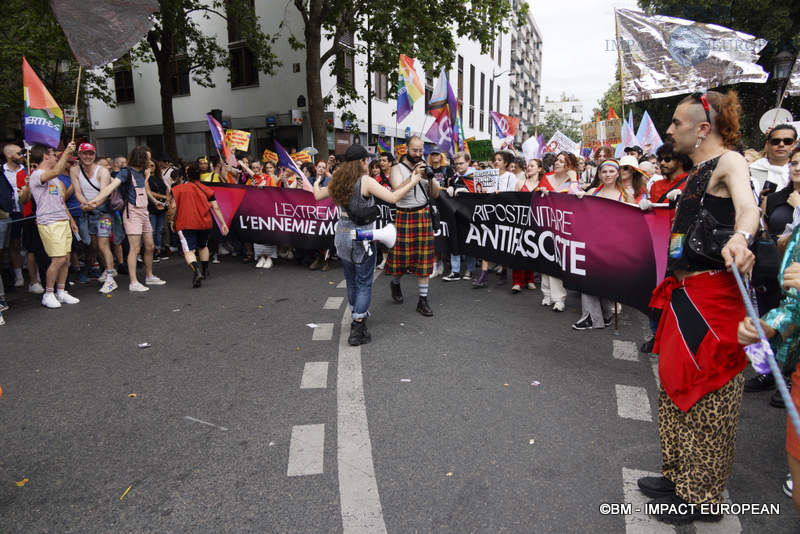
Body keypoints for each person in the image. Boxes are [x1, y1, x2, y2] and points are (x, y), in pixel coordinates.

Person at [637, 90, 759, 525]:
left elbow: (748, 209)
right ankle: (677, 477)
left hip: (714, 298)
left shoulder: (731, 162)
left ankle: (702, 497)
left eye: (676, 122)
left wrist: (742, 238)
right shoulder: (695, 171)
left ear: (703, 128)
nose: (669, 130)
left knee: (708, 395)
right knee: (673, 386)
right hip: (684, 293)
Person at [313, 144, 420, 344]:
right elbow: (394, 197)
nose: (370, 162)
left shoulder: (338, 180)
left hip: (342, 235)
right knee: (364, 282)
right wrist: (413, 180)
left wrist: (317, 181)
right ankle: (358, 326)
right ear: (362, 162)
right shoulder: (366, 182)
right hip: (362, 236)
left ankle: (357, 315)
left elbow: (317, 195)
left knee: (352, 280)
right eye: (367, 159)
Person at [89, 146, 167, 292]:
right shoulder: (126, 173)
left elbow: (145, 189)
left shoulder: (144, 172)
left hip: (144, 211)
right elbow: (111, 187)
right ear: (140, 158)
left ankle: (149, 276)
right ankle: (133, 282)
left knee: (150, 246)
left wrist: (154, 201)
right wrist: (97, 200)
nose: (150, 161)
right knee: (135, 248)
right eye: (147, 158)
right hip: (132, 213)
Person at [385, 135, 439, 316]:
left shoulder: (425, 167)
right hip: (404, 216)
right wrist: (414, 176)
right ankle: (395, 283)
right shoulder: (397, 168)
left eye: (421, 150)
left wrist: (430, 178)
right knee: (400, 260)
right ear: (406, 149)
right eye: (414, 150)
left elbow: (435, 194)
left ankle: (422, 301)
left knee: (424, 260)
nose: (418, 153)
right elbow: (396, 189)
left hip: (423, 216)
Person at [571, 160, 625, 329]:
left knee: (604, 281)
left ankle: (607, 314)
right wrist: (579, 195)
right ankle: (591, 317)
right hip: (591, 242)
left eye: (611, 171)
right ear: (599, 174)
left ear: (617, 174)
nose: (607, 174)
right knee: (587, 279)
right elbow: (572, 201)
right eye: (604, 172)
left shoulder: (625, 195)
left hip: (613, 245)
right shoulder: (593, 191)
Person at [28, 142, 81, 308]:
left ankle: (61, 291)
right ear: (45, 156)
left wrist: (71, 220)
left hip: (62, 220)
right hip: (49, 223)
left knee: (66, 259)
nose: (55, 157)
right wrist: (67, 151)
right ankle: (48, 293)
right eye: (53, 155)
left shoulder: (56, 179)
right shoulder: (37, 175)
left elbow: (61, 202)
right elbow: (57, 169)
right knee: (57, 259)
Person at [168, 162, 229, 287]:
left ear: (186, 175)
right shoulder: (207, 190)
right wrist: (223, 223)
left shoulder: (178, 189)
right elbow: (216, 208)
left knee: (189, 250)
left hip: (185, 223)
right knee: (203, 246)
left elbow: (173, 207)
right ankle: (205, 269)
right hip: (204, 222)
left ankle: (196, 271)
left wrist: (172, 220)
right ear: (200, 175)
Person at [70, 143, 119, 294]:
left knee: (103, 245)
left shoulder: (102, 171)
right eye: (85, 153)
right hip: (87, 213)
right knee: (94, 245)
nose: (88, 157)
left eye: (91, 154)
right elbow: (77, 191)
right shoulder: (74, 170)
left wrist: (92, 204)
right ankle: (108, 270)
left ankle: (111, 278)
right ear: (79, 154)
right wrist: (84, 204)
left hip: (103, 215)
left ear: (94, 155)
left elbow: (104, 192)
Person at [534, 151, 581, 311]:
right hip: (544, 223)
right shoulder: (546, 177)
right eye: (557, 160)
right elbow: (537, 197)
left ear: (569, 165)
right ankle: (546, 294)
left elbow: (574, 197)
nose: (557, 163)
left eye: (562, 161)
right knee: (545, 259)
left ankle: (559, 298)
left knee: (557, 261)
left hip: (562, 226)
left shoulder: (571, 180)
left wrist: (574, 178)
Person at [472, 151, 518, 288]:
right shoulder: (487, 175)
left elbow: (514, 196)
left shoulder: (510, 177)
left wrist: (501, 194)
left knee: (502, 244)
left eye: (500, 159)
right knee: (486, 243)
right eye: (495, 159)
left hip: (503, 214)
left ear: (506, 163)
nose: (496, 161)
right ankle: (484, 275)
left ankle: (504, 271)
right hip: (488, 213)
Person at [509, 158, 543, 293]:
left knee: (531, 250)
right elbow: (513, 200)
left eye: (532, 166)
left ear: (539, 169)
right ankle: (517, 281)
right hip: (520, 220)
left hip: (535, 221)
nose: (529, 168)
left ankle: (529, 279)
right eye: (528, 166)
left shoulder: (542, 185)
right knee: (518, 250)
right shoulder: (520, 182)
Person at [443, 151, 476, 281]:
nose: (458, 166)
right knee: (454, 241)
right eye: (456, 164)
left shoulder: (475, 176)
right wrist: (448, 189)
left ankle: (470, 269)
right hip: (455, 214)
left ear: (468, 162)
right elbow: (448, 189)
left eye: (461, 163)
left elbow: (482, 194)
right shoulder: (454, 177)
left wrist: (467, 192)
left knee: (469, 241)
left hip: (469, 215)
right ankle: (455, 271)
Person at [2, 144, 27, 288]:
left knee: (30, 244)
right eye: (19, 153)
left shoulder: (27, 170)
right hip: (11, 212)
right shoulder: (1, 171)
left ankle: (34, 275)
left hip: (27, 211)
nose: (22, 156)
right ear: (9, 155)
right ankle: (18, 275)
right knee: (14, 244)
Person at [750, 124, 796, 198]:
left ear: (795, 144)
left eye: (787, 141)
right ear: (768, 144)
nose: (781, 144)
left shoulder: (797, 172)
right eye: (776, 141)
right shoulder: (750, 171)